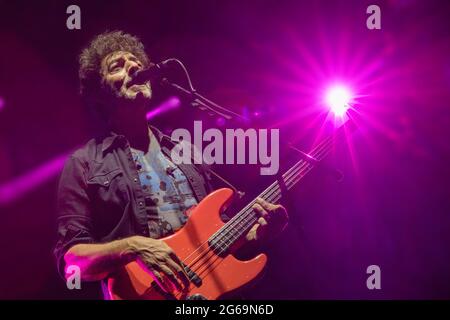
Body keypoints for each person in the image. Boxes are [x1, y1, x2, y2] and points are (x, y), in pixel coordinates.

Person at [54, 30, 288, 298]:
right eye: (117, 66)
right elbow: (71, 261)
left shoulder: (185, 151)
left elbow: (214, 240)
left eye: (136, 63)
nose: (133, 67)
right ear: (99, 91)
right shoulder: (84, 163)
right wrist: (132, 247)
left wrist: (252, 236)